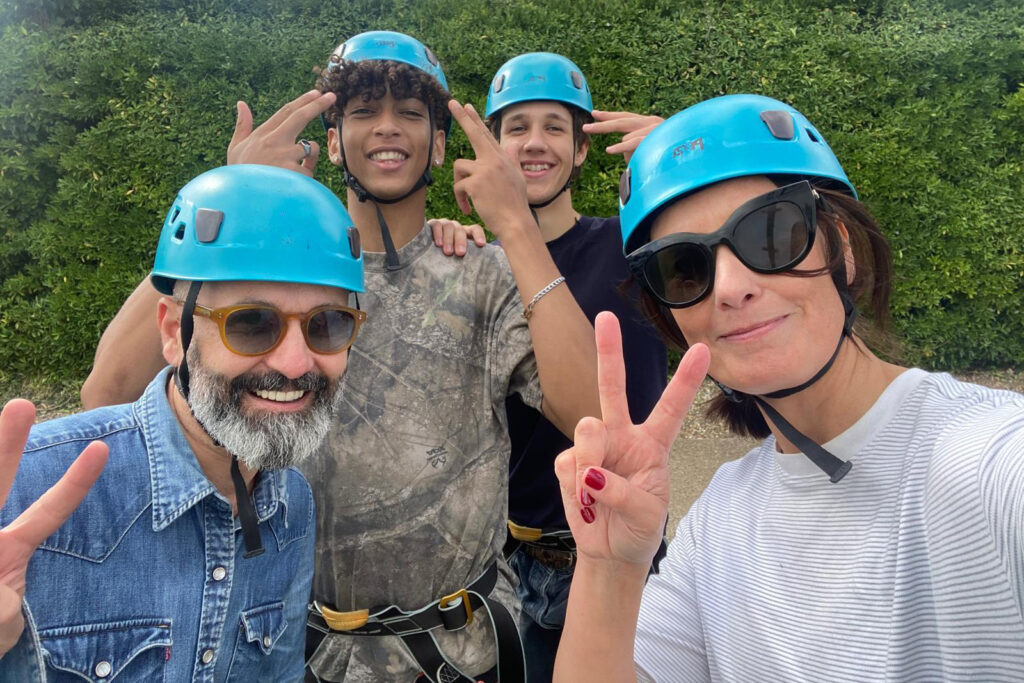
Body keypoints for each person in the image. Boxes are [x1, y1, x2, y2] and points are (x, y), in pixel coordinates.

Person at [79, 32, 600, 682]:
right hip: (302, 652)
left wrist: (517, 225)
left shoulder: (483, 275)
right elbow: (109, 390)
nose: (388, 127)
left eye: (411, 112)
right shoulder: (278, 276)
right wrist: (232, 192)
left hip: (462, 656)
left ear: (439, 143)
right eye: (362, 111)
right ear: (332, 141)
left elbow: (595, 414)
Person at [552, 94, 1024, 681]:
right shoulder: (718, 522)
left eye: (771, 232)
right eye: (686, 268)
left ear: (843, 248)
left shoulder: (992, 459)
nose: (730, 286)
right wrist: (612, 571)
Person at [0, 163, 366, 681]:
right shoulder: (30, 490)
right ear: (174, 332)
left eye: (326, 325)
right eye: (251, 323)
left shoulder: (292, 506)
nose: (295, 364)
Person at [466, 51, 666, 681]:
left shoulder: (632, 246)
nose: (535, 143)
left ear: (582, 149)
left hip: (615, 546)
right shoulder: (474, 264)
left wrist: (687, 151)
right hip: (506, 570)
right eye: (516, 127)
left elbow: (739, 246)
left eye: (555, 127)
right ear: (494, 149)